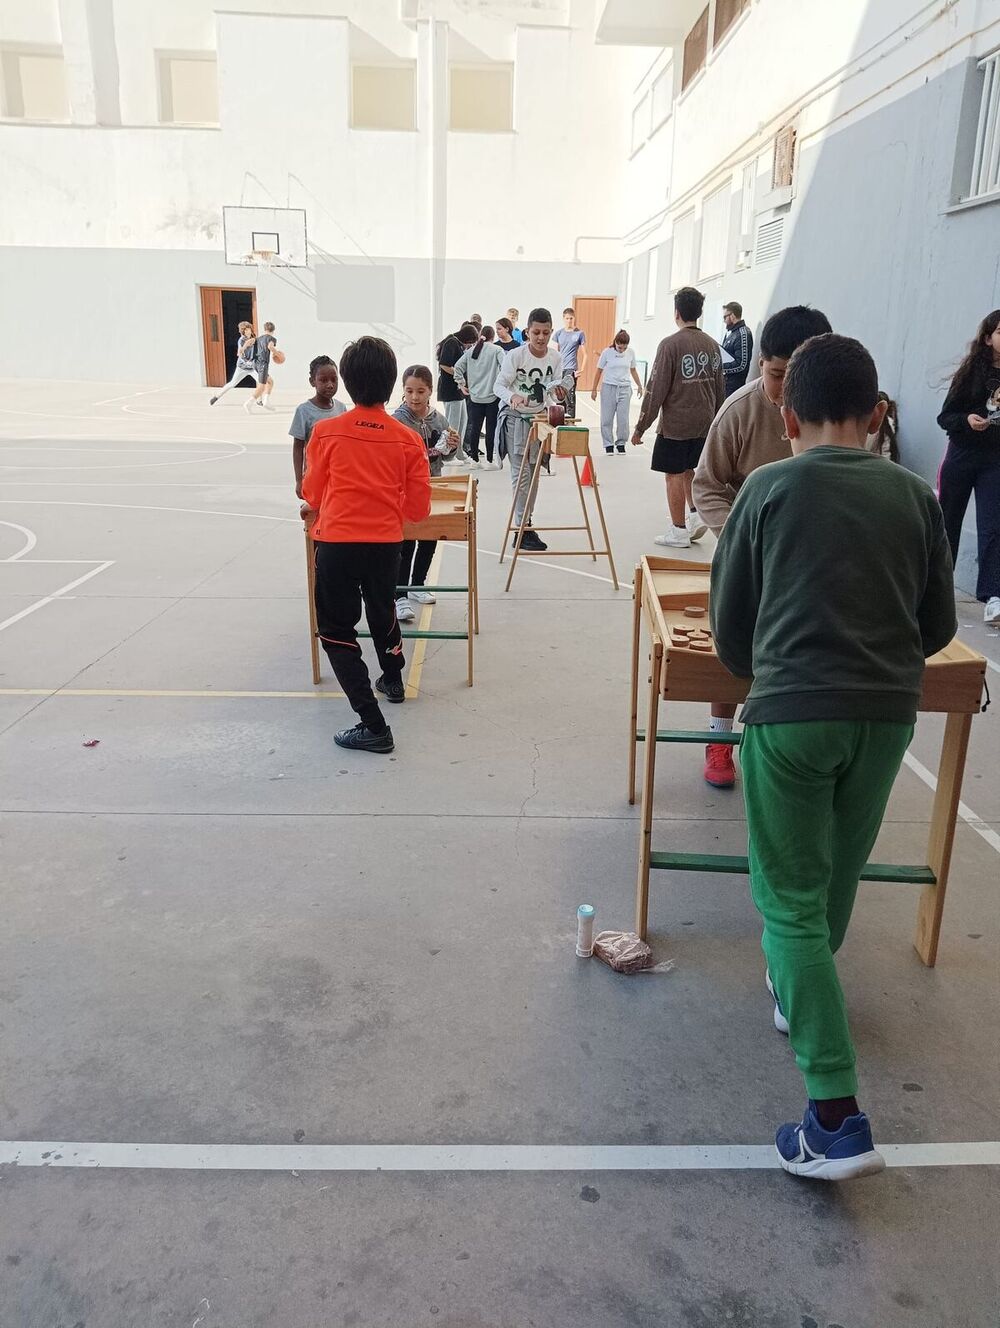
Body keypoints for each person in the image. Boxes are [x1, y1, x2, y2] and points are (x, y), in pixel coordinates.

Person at [711, 333, 956, 1181]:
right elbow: (937, 630)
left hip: (792, 714)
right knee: (835, 875)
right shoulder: (913, 497)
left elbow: (733, 633)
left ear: (787, 414)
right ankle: (797, 990)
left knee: (786, 900)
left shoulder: (770, 489)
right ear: (879, 412)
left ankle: (835, 1116)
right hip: (887, 716)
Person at [693, 305, 833, 788]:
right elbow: (706, 484)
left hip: (814, 558)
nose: (786, 392)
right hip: (749, 553)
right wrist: (743, 534)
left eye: (798, 379)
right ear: (759, 366)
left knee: (803, 648)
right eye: (777, 376)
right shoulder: (739, 412)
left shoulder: (836, 418)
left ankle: (789, 739)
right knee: (733, 640)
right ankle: (719, 736)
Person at [301, 337, 431, 753]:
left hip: (337, 542)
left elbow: (312, 493)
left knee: (337, 631)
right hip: (383, 544)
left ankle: (371, 723)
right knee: (383, 608)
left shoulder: (324, 432)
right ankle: (391, 677)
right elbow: (417, 510)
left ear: (347, 383)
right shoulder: (409, 440)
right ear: (392, 385)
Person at [631, 286, 724, 547]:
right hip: (705, 422)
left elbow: (655, 388)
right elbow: (719, 386)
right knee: (688, 468)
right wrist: (717, 421)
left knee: (672, 473)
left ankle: (678, 530)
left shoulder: (670, 345)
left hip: (677, 425)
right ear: (699, 312)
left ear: (676, 313)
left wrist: (641, 426)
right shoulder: (712, 345)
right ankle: (695, 514)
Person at [936, 309, 1000, 625]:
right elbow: (945, 417)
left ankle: (993, 596)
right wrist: (966, 421)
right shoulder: (971, 371)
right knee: (947, 522)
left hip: (995, 461)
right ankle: (935, 588)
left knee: (993, 525)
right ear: (988, 338)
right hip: (962, 454)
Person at [495, 306, 574, 551]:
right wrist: (513, 398)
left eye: (546, 333)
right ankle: (522, 527)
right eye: (536, 332)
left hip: (539, 420)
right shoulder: (515, 356)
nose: (541, 338)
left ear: (551, 333)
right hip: (516, 419)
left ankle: (527, 523)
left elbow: (552, 392)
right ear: (527, 331)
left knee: (534, 475)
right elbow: (499, 386)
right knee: (521, 476)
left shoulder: (555, 358)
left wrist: (559, 397)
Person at [392, 364, 461, 623]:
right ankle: (400, 594)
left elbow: (447, 452)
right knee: (407, 540)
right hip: (406, 489)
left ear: (430, 390)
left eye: (420, 391)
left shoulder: (438, 418)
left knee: (430, 536)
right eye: (409, 391)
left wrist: (452, 446)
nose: (414, 397)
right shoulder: (398, 421)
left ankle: (418, 585)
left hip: (434, 486)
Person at [289, 356, 348, 499]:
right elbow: (298, 447)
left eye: (334, 380)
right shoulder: (304, 411)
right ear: (312, 381)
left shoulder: (341, 408)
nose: (330, 385)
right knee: (314, 516)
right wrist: (299, 480)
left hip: (337, 477)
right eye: (323, 380)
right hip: (314, 477)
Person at [454, 325, 504, 467]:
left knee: (475, 427)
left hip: (475, 396)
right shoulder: (497, 350)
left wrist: (461, 384)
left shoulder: (471, 351)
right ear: (493, 337)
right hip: (492, 396)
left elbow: (457, 367)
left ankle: (474, 459)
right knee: (491, 428)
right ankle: (489, 460)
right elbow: (506, 367)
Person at [591, 329, 643, 454]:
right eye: (620, 347)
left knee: (623, 419)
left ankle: (621, 443)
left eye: (624, 347)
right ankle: (608, 444)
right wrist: (594, 389)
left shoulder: (630, 353)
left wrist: (640, 385)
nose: (622, 349)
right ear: (615, 342)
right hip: (609, 387)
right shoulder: (607, 352)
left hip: (624, 388)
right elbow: (599, 371)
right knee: (607, 418)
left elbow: (633, 370)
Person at [436, 323, 479, 461]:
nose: (470, 346)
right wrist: (458, 373)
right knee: (453, 424)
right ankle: (449, 453)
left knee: (462, 421)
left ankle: (458, 451)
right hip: (450, 389)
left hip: (459, 389)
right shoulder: (451, 343)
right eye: (470, 342)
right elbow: (444, 364)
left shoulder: (458, 344)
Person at [210, 321, 256, 405]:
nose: (249, 331)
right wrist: (247, 362)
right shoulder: (241, 340)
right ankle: (216, 396)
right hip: (242, 367)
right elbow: (240, 354)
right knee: (232, 383)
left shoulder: (254, 337)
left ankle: (259, 400)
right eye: (247, 329)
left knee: (261, 382)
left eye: (249, 329)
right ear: (243, 331)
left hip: (252, 367)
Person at [554, 307, 587, 419]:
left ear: (574, 319)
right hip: (560, 368)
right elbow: (555, 352)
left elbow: (585, 354)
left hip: (571, 368)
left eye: (571, 318)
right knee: (559, 396)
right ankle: (559, 422)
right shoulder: (558, 334)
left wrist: (580, 370)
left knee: (569, 397)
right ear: (563, 319)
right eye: (567, 318)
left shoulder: (579, 333)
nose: (569, 321)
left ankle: (571, 423)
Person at [721, 302, 753, 397]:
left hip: (734, 387)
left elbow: (741, 364)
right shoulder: (732, 334)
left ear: (733, 315)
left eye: (725, 317)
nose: (724, 321)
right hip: (726, 385)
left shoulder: (743, 334)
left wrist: (720, 367)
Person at [244, 321, 278, 413]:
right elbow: (270, 347)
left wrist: (243, 349)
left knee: (270, 382)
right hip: (262, 364)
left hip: (256, 363)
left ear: (265, 329)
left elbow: (249, 341)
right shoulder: (272, 338)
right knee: (262, 386)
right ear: (273, 330)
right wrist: (277, 353)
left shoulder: (258, 338)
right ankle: (248, 403)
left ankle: (266, 401)